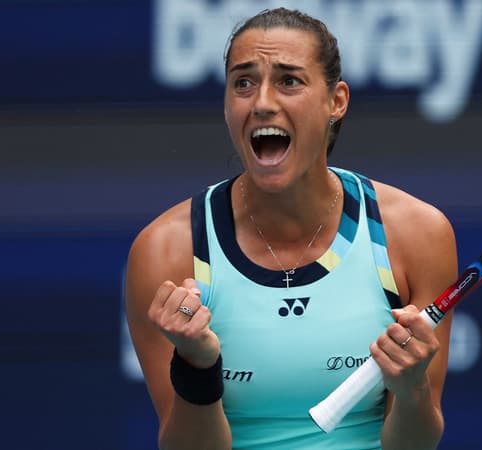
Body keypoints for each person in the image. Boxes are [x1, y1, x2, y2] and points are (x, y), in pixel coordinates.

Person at [124, 8, 457, 450]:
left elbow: (414, 445)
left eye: (289, 81)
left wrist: (412, 387)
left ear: (336, 101)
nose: (262, 102)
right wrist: (196, 367)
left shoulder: (416, 235)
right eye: (243, 83)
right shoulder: (166, 250)